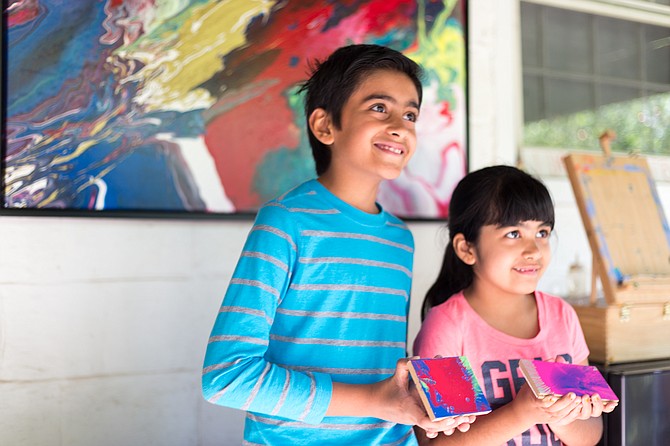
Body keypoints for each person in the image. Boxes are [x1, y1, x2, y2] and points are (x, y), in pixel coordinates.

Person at [202, 44, 474, 445]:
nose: (400, 125)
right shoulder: (286, 223)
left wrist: (421, 406)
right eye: (379, 108)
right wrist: (375, 402)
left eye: (411, 114)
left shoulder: (400, 239)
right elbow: (225, 377)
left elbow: (383, 370)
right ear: (325, 126)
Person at [413, 165, 618, 446]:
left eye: (542, 232)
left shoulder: (563, 316)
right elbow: (436, 443)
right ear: (467, 249)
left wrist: (560, 417)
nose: (533, 250)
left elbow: (590, 435)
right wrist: (523, 413)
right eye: (513, 234)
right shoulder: (447, 325)